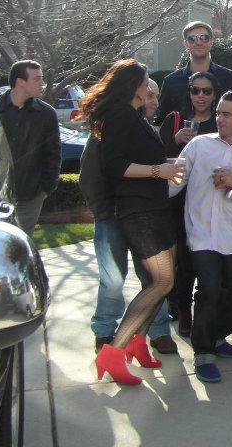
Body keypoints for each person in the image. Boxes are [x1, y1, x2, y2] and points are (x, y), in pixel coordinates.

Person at [81, 59, 183, 386]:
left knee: (164, 279)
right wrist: (160, 171)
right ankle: (114, 351)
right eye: (144, 80)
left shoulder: (133, 117)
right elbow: (115, 166)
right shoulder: (119, 116)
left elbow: (140, 159)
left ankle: (138, 345)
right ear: (133, 85)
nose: (148, 85)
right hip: (138, 212)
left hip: (153, 207)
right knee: (161, 281)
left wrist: (164, 164)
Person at [170, 90, 232, 383]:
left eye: (226, 114)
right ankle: (203, 353)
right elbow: (175, 182)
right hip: (201, 234)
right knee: (210, 290)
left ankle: (215, 336)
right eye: (218, 113)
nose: (219, 118)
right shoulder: (199, 145)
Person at [158, 71, 221, 341]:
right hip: (179, 200)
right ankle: (184, 311)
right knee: (183, 261)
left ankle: (209, 313)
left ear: (214, 94)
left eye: (207, 91)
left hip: (212, 201)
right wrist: (174, 142)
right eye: (196, 91)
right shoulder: (174, 121)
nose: (201, 96)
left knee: (208, 260)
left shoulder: (222, 122)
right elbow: (156, 158)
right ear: (189, 92)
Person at [0, 60, 61, 234]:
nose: (42, 84)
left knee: (21, 244)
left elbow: (53, 154)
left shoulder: (46, 114)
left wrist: (45, 189)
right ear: (20, 81)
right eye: (37, 79)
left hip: (30, 196)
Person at [155, 21, 232, 123]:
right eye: (192, 39)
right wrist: (174, 138)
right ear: (186, 43)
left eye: (204, 38)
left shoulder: (231, 78)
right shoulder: (171, 81)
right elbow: (160, 122)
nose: (199, 42)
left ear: (211, 41)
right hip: (184, 139)